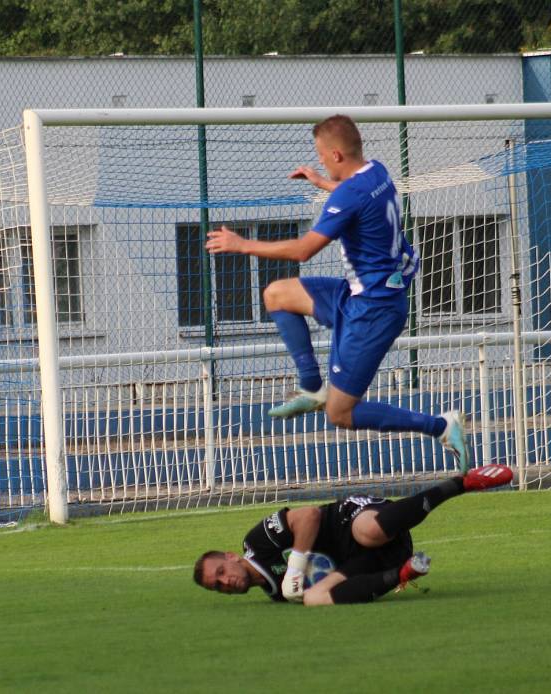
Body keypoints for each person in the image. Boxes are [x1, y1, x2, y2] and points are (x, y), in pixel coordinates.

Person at [205, 114, 471, 472]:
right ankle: (312, 386)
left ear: (336, 156)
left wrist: (242, 244)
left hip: (373, 312)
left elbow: (303, 251)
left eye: (321, 157)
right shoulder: (376, 172)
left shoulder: (351, 193)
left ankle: (441, 426)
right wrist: (321, 182)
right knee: (276, 295)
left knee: (341, 413)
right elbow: (355, 199)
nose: (320, 162)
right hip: (356, 295)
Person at [193, 464, 513, 605]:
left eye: (221, 572)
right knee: (315, 599)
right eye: (218, 587)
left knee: (369, 532)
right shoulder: (275, 593)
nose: (226, 582)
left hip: (350, 521)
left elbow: (309, 515)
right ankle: (400, 575)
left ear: (231, 557)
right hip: (367, 561)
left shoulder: (256, 542)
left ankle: (460, 484)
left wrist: (296, 565)